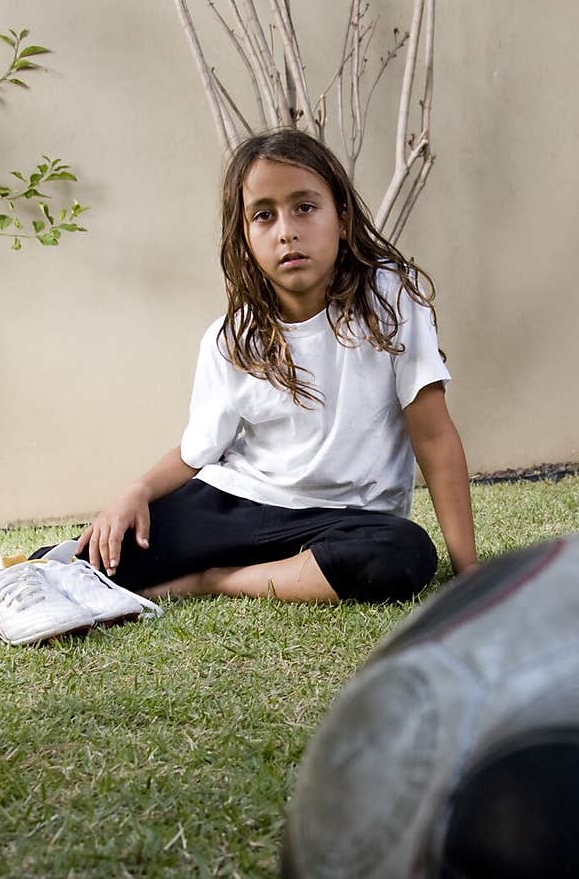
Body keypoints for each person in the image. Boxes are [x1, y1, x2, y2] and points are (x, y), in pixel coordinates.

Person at [72, 128, 477, 607]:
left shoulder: (391, 300)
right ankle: (237, 571)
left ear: (342, 218)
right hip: (239, 504)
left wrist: (469, 572)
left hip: (347, 518)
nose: (286, 231)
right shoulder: (231, 338)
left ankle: (210, 581)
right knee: (93, 565)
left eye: (305, 207)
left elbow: (432, 435)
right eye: (264, 215)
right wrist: (135, 492)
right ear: (245, 236)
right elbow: (197, 450)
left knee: (403, 555)